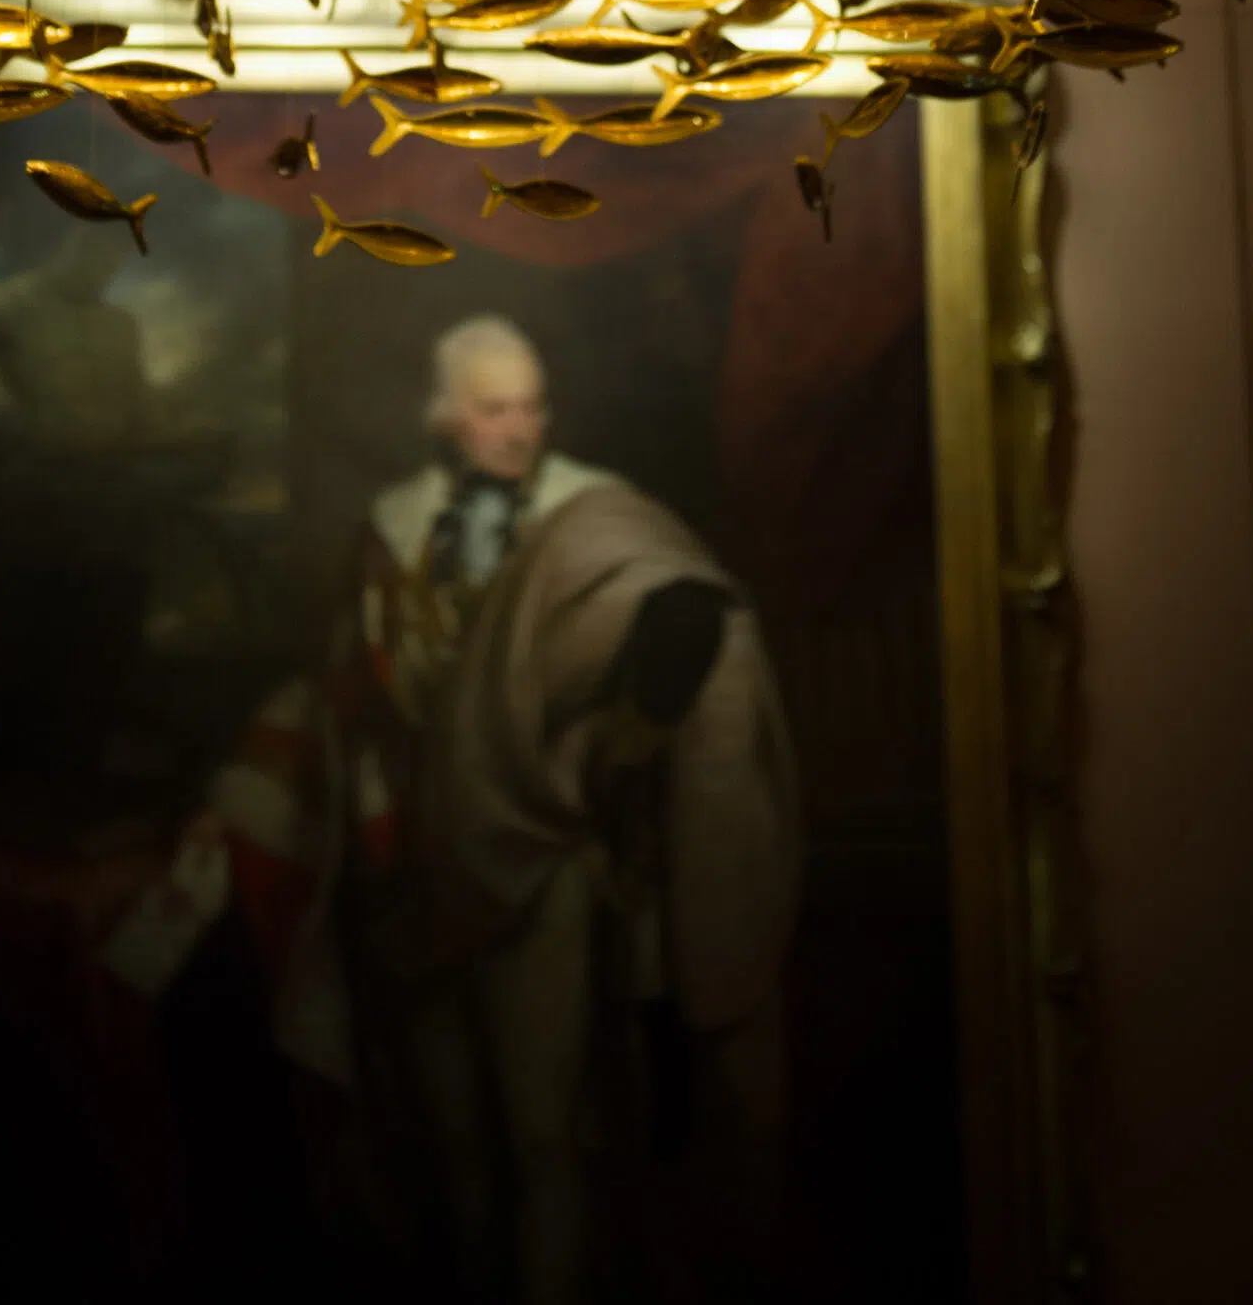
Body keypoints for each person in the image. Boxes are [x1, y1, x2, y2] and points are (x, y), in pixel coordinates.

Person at [193, 316, 803, 1304]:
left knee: (542, 1138)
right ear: (445, 418)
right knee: (451, 1148)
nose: (515, 430)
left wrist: (617, 742)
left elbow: (689, 625)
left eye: (528, 407)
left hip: (538, 859)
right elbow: (357, 704)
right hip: (416, 868)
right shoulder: (391, 527)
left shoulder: (599, 523)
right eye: (490, 410)